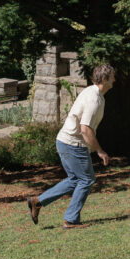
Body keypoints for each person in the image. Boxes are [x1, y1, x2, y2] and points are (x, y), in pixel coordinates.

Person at [27, 63, 115, 230]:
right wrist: (100, 151)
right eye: (112, 77)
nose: (114, 80)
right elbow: (85, 129)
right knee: (86, 179)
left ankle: (37, 201)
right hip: (72, 144)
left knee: (76, 180)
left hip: (64, 141)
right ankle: (71, 220)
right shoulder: (94, 99)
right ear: (104, 78)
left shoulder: (94, 93)